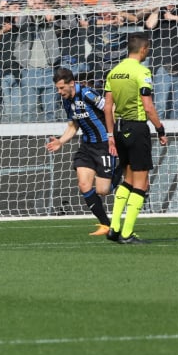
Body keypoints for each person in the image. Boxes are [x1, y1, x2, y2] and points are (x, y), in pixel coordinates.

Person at [103, 32, 168, 244]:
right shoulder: (142, 71)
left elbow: (108, 107)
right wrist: (160, 129)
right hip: (137, 129)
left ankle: (114, 228)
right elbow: (148, 107)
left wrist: (111, 134)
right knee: (142, 183)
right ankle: (127, 233)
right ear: (143, 49)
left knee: (128, 180)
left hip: (120, 130)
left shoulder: (114, 72)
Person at [46, 68, 117, 235]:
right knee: (84, 184)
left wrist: (114, 135)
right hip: (87, 146)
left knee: (102, 191)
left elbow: (110, 108)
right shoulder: (66, 100)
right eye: (57, 88)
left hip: (104, 144)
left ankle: (122, 169)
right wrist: (61, 141)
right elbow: (73, 125)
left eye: (62, 88)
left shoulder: (87, 94)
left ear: (72, 83)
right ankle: (106, 225)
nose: (59, 91)